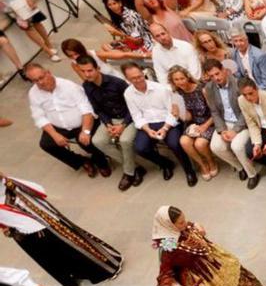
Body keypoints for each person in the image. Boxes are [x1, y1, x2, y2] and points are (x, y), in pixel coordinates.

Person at [0, 175, 123, 286]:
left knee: (73, 247)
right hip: (32, 229)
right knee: (63, 252)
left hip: (45, 223)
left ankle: (102, 270)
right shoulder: (8, 185)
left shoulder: (9, 183)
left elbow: (39, 191)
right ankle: (81, 273)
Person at [25, 64, 113, 179]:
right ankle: (82, 161)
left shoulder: (69, 86)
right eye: (35, 80)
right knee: (46, 144)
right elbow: (39, 117)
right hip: (58, 126)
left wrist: (85, 131)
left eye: (41, 77)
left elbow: (87, 109)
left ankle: (102, 161)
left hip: (81, 123)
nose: (40, 82)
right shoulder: (33, 93)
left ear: (48, 72)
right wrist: (55, 134)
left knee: (86, 142)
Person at [74, 56, 146, 191]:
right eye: (83, 71)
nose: (86, 74)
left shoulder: (117, 83)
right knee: (98, 141)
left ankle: (129, 173)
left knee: (125, 141)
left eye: (89, 70)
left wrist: (123, 125)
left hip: (129, 117)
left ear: (98, 69)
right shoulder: (86, 86)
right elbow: (98, 109)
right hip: (110, 120)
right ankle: (134, 168)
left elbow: (135, 105)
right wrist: (108, 124)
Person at [122, 62, 195, 184]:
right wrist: (147, 130)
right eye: (133, 78)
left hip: (168, 122)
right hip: (148, 123)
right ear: (127, 79)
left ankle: (189, 170)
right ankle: (165, 164)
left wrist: (165, 128)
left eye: (139, 76)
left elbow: (173, 112)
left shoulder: (161, 89)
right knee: (141, 148)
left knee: (175, 144)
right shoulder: (128, 93)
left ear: (143, 73)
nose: (138, 80)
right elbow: (136, 116)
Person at [203, 59, 254, 183]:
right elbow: (214, 111)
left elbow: (247, 111)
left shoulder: (238, 84)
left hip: (243, 122)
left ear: (224, 71)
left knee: (236, 146)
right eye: (211, 76)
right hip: (225, 122)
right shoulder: (209, 88)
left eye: (217, 73)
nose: (215, 78)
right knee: (215, 147)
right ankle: (240, 167)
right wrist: (222, 130)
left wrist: (235, 131)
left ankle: (252, 174)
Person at [168, 66, 220, 182]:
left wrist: (205, 126)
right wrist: (178, 113)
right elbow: (188, 117)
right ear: (172, 81)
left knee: (200, 144)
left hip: (209, 121)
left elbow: (215, 111)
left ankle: (211, 161)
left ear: (187, 77)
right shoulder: (177, 94)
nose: (180, 82)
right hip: (194, 124)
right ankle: (203, 164)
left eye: (182, 78)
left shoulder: (202, 89)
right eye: (176, 79)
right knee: (184, 141)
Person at [97, 0, 153, 64]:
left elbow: (138, 41)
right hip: (132, 41)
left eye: (114, 3)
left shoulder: (131, 16)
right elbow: (129, 35)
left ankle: (133, 61)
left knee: (108, 52)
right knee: (105, 46)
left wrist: (119, 34)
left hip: (146, 42)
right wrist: (120, 40)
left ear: (120, 3)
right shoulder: (118, 16)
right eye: (109, 5)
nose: (112, 7)